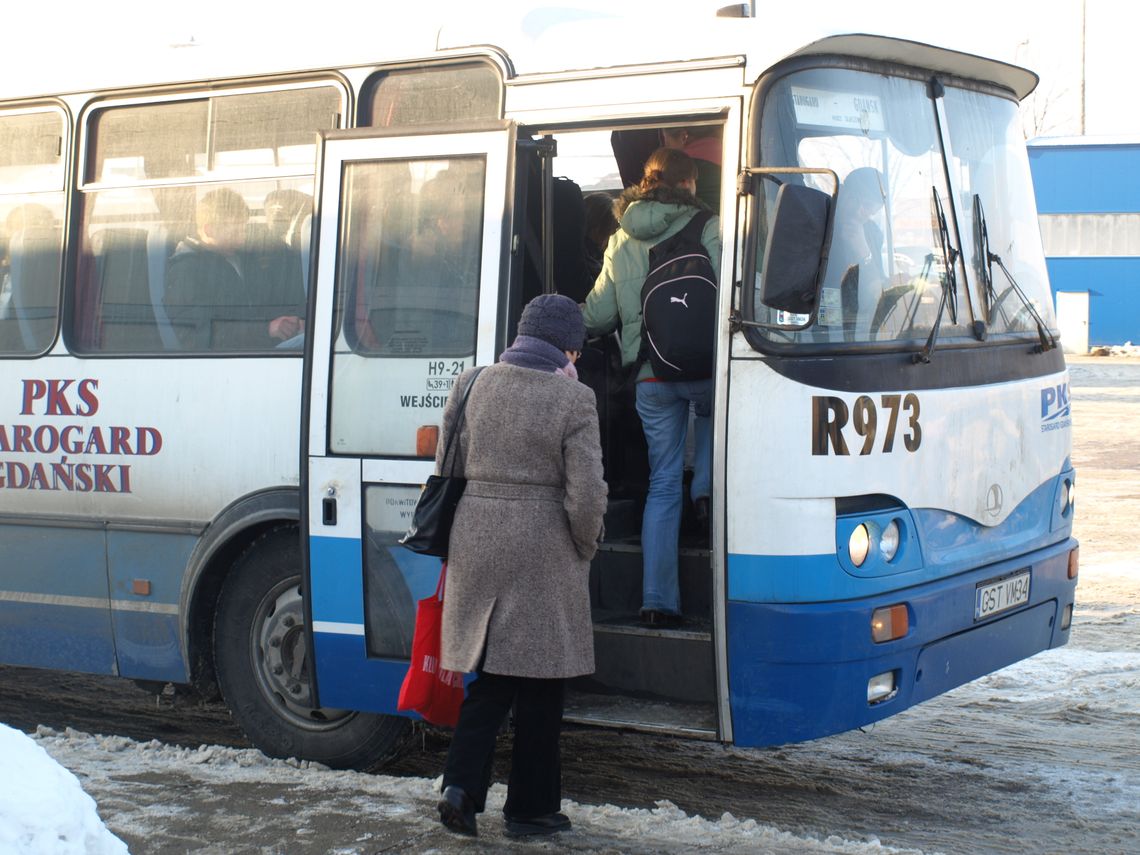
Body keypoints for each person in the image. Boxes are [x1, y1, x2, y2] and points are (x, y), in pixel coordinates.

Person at [436, 293, 607, 839]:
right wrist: (586, 544)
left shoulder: (472, 384)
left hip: (477, 538)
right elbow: (586, 496)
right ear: (570, 348)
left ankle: (461, 788)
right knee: (542, 679)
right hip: (543, 547)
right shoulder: (573, 399)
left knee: (490, 676)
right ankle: (530, 808)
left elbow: (446, 467)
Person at [581, 148, 720, 627]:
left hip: (650, 377)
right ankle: (705, 486)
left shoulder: (620, 238)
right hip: (705, 370)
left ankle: (658, 600)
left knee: (662, 484)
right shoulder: (710, 228)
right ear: (688, 185)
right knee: (715, 418)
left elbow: (598, 316)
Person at [164, 188, 305, 350]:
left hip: (261, 349)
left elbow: (264, 302)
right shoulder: (185, 271)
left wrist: (291, 321)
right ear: (209, 230)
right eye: (235, 225)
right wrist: (266, 330)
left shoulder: (245, 259)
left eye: (243, 224)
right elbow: (200, 333)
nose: (243, 230)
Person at [661, 125, 722, 211]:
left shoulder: (675, 169)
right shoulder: (732, 157)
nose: (665, 146)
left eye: (666, 140)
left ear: (683, 137)